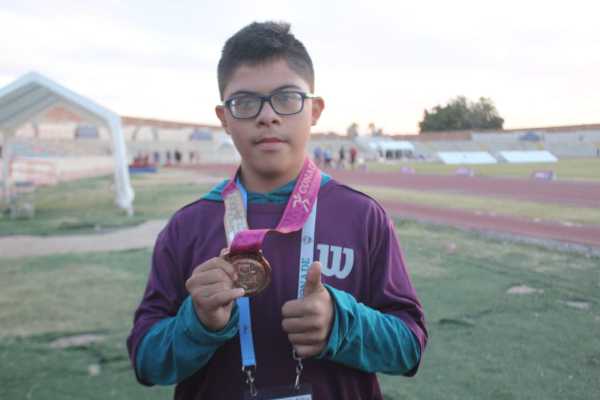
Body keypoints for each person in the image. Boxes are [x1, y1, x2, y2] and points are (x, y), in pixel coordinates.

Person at [127, 21, 427, 400]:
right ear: (224, 118)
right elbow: (145, 361)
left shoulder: (363, 217)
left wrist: (342, 324)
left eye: (287, 98)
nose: (267, 116)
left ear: (315, 110)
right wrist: (198, 323)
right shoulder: (188, 226)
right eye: (245, 102)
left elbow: (410, 347)